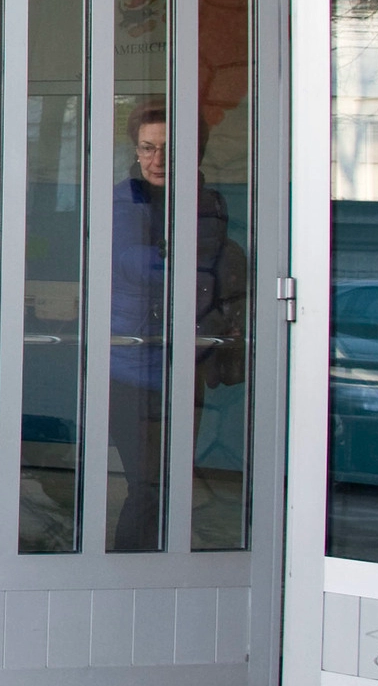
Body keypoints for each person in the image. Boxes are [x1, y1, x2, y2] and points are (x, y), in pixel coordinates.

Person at [109, 100, 246, 551]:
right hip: (129, 366)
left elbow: (219, 267)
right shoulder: (120, 200)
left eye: (169, 148)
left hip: (188, 364)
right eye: (147, 148)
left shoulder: (208, 203)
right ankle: (128, 578)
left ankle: (157, 574)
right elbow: (131, 263)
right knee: (149, 485)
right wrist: (186, 261)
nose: (157, 159)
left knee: (170, 483)